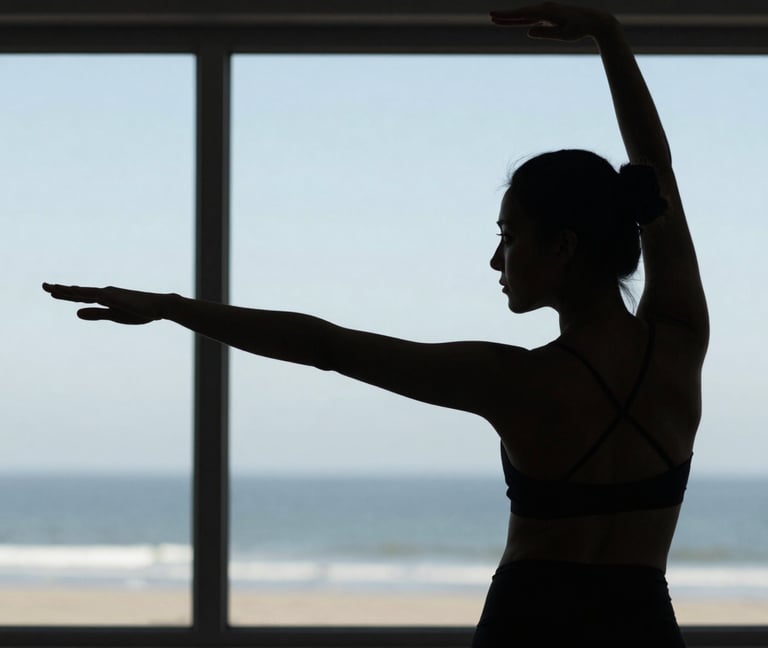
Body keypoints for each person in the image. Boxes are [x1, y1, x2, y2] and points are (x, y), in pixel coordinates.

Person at [43, 2, 707, 645]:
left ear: (562, 248)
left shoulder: (513, 380)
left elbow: (324, 346)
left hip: (530, 625)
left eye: (510, 235)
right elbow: (657, 172)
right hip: (643, 626)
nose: (496, 259)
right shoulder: (680, 340)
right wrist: (609, 38)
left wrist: (171, 307)